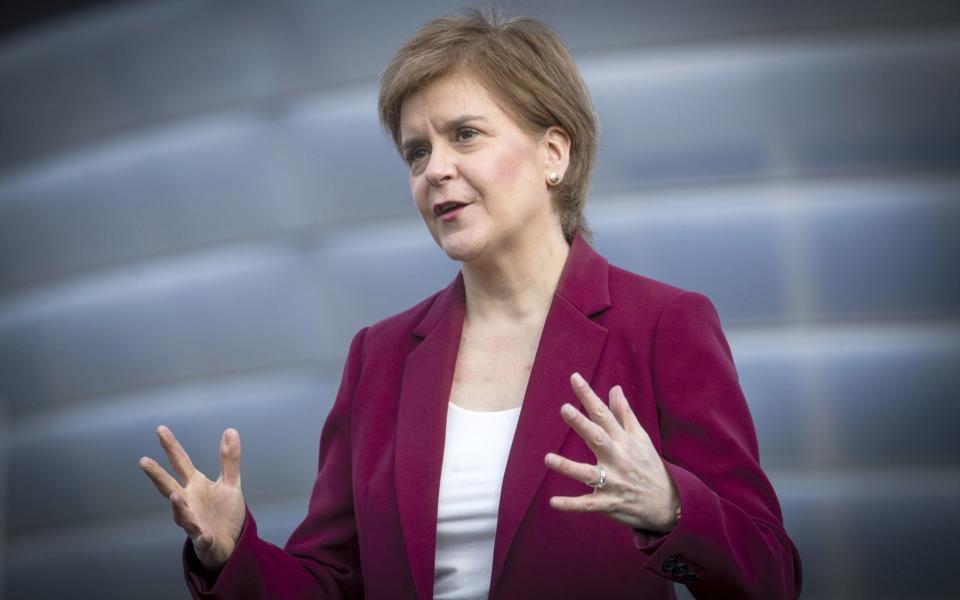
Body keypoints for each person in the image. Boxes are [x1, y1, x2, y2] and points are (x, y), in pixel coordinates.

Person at [139, 8, 803, 599]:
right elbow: (333, 583)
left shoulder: (661, 325)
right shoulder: (380, 356)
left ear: (553, 153)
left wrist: (671, 509)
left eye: (465, 134)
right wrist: (233, 557)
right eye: (417, 151)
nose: (435, 169)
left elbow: (770, 577)